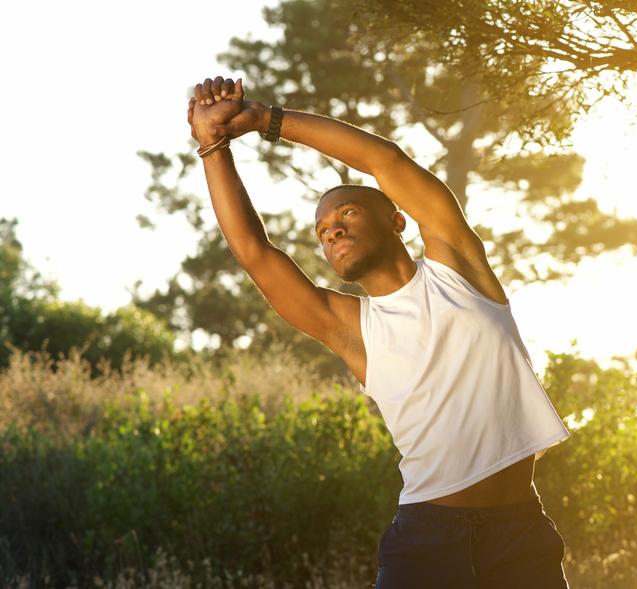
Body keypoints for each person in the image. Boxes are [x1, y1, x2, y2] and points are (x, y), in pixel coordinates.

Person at [187, 75, 572, 588]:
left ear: (396, 222)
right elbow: (255, 254)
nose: (334, 231)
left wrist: (262, 119)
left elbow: (384, 162)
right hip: (427, 542)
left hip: (520, 534)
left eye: (345, 213)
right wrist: (212, 145)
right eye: (324, 233)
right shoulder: (351, 328)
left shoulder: (457, 266)